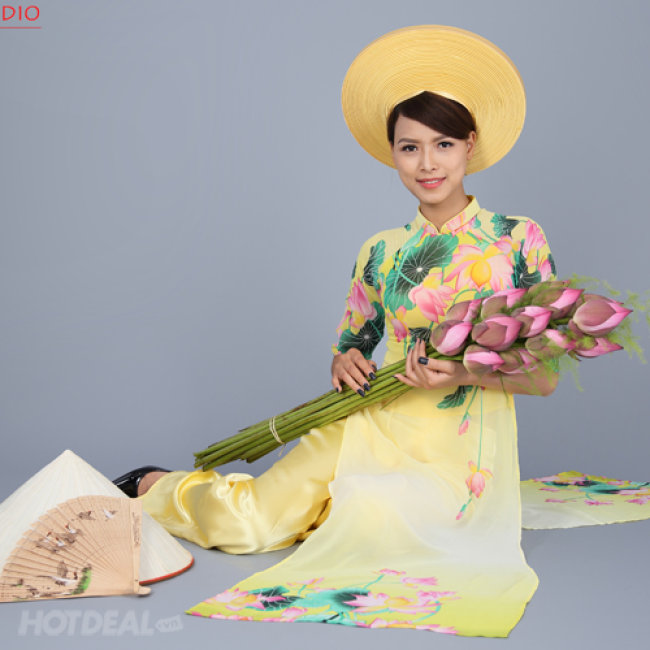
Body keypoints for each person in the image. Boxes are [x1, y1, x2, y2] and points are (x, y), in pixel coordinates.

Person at [114, 26, 559, 636]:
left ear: (470, 145)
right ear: (392, 153)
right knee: (252, 527)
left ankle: (321, 506)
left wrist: (460, 372)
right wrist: (344, 362)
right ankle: (156, 485)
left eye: (443, 144)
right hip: (369, 420)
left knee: (386, 535)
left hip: (460, 447)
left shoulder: (518, 238)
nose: (427, 164)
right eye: (409, 148)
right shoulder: (381, 250)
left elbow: (545, 376)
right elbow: (352, 343)